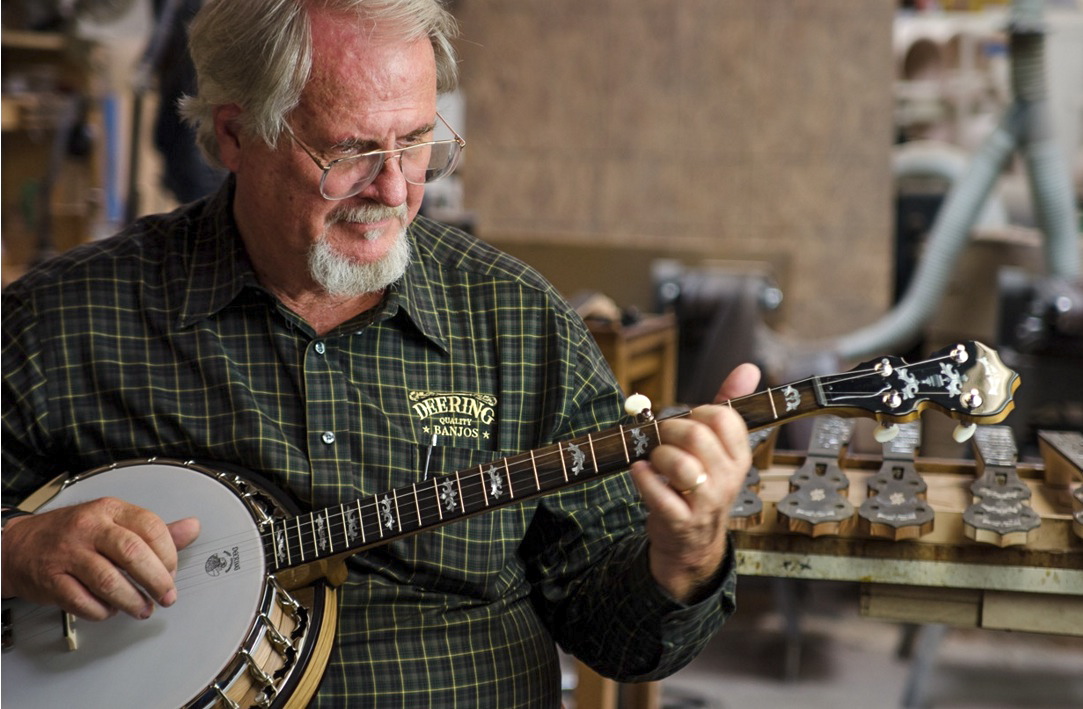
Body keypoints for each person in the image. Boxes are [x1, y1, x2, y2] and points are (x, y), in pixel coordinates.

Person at [1, 0, 759, 705]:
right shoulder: (67, 319)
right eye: (350, 150)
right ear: (234, 134)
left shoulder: (516, 322)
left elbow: (617, 634)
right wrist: (20, 546)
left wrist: (685, 557)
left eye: (418, 140)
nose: (394, 188)